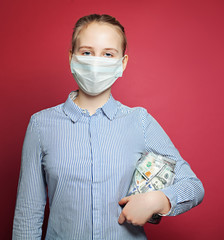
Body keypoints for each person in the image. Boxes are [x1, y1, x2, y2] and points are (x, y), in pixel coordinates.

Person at [12, 14, 204, 239]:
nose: (96, 62)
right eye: (86, 52)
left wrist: (158, 200)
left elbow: (193, 186)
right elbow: (28, 215)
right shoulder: (40, 125)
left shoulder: (139, 121)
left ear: (122, 62)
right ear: (71, 58)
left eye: (108, 54)